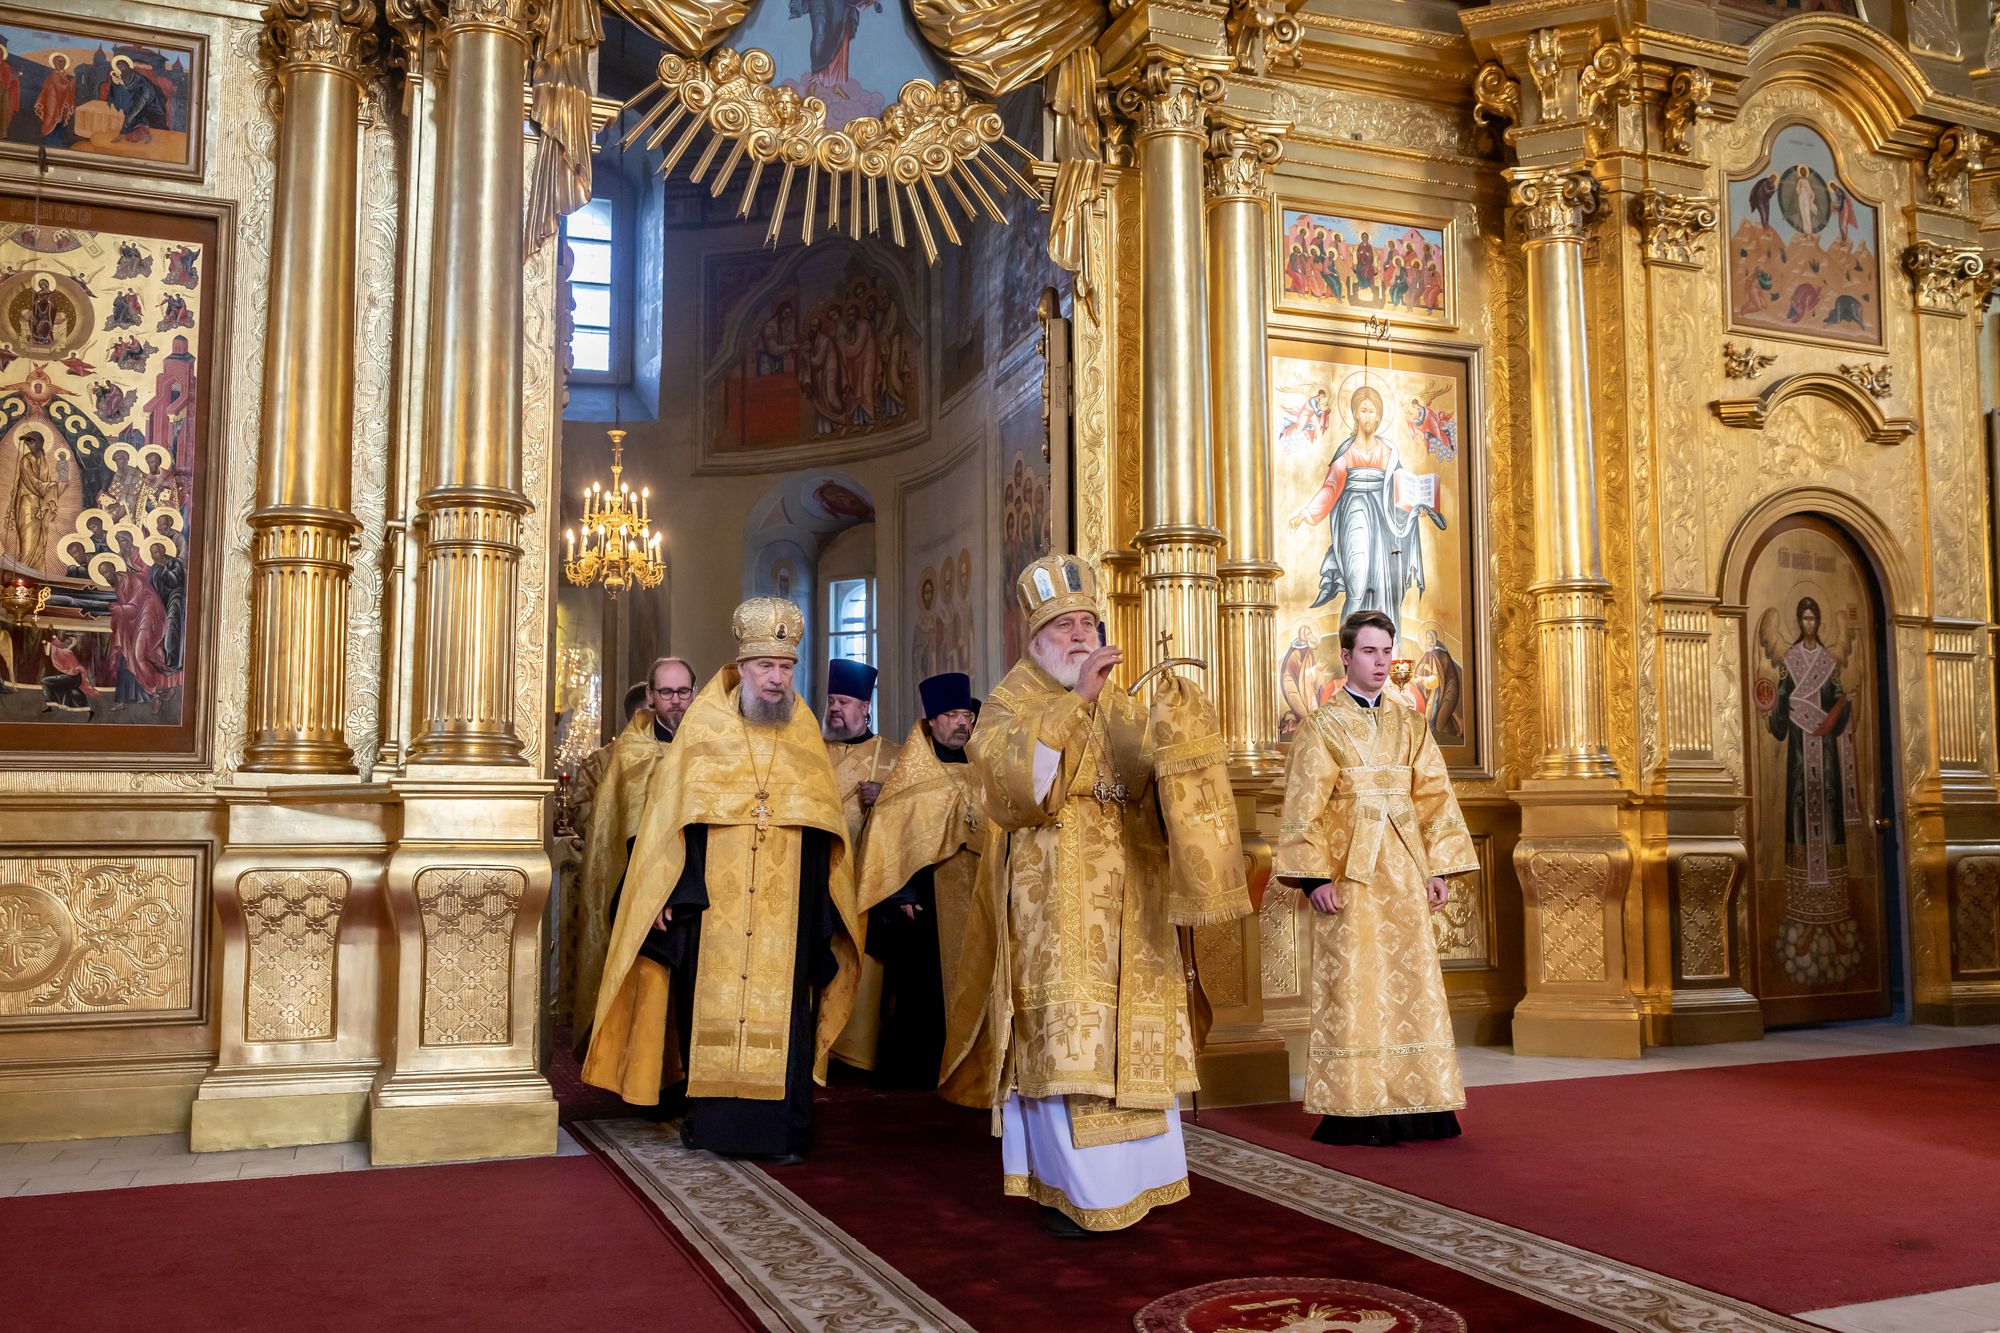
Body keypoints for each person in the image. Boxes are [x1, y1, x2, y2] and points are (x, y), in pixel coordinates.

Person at [944, 554, 1250, 1236]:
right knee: (1070, 1046)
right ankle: (1069, 1192)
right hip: (1055, 902)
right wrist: (1073, 702)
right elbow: (1010, 791)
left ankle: (1140, 1184)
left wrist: (1179, 728)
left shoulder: (1125, 703)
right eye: (1065, 625)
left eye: (1088, 622)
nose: (1081, 634)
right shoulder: (1012, 701)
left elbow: (1162, 789)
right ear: (1036, 638)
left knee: (1133, 1037)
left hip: (1135, 898)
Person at [585, 601, 859, 1163]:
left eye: (786, 667)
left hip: (788, 903)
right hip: (713, 904)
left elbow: (824, 823)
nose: (777, 678)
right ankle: (710, 1123)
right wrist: (667, 889)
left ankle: (783, 1131)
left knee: (787, 1012)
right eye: (766, 666)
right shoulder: (705, 727)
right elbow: (673, 818)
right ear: (743, 667)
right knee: (705, 1003)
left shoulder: (805, 732)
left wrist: (820, 902)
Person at [1274, 609, 1478, 1147]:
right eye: (1369, 651)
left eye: (1387, 651)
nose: (1381, 662)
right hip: (1349, 878)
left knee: (1413, 990)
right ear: (1346, 656)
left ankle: (1423, 1104)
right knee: (1355, 988)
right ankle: (1355, 1107)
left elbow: (1434, 797)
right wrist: (1314, 879)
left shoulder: (1411, 724)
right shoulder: (1321, 727)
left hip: (1406, 875)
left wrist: (1437, 868)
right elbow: (1303, 807)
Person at [854, 672, 989, 1088]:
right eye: (952, 715)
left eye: (967, 715)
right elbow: (890, 833)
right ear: (931, 720)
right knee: (923, 989)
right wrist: (903, 894)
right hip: (927, 900)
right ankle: (921, 1071)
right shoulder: (911, 773)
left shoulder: (985, 767)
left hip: (979, 891)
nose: (962, 723)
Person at [562, 659, 699, 1054]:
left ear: (694, 692)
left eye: (683, 691)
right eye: (667, 692)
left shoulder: (711, 746)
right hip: (646, 886)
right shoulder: (630, 752)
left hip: (700, 886)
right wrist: (653, 889)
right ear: (651, 697)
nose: (676, 701)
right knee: (650, 988)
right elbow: (618, 828)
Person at [823, 657, 901, 1071]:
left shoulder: (892, 757)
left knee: (863, 961)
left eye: (845, 701)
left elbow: (913, 817)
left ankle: (855, 1051)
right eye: (832, 700)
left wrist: (886, 795)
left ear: (865, 707)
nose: (835, 708)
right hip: (819, 877)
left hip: (864, 880)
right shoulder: (811, 752)